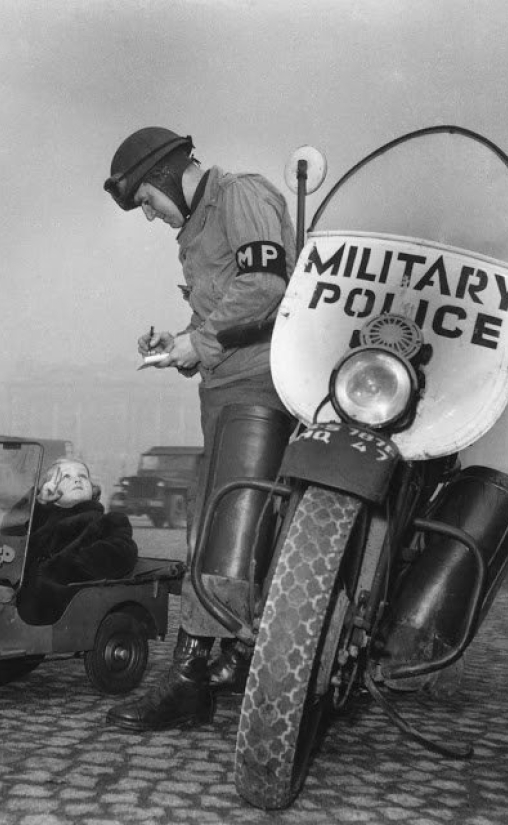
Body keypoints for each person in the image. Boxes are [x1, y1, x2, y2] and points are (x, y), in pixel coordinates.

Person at [103, 127, 298, 730]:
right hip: (225, 389)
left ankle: (190, 678)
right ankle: (235, 658)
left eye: (146, 202)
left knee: (229, 522)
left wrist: (201, 341)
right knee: (215, 518)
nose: (149, 215)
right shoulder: (194, 230)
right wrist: (176, 342)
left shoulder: (239, 195)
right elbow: (222, 306)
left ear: (164, 177)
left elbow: (266, 286)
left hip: (259, 385)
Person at [16, 458, 139, 624]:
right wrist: (41, 503)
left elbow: (122, 550)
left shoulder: (108, 521)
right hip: (24, 596)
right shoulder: (42, 519)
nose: (76, 479)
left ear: (93, 489)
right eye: (65, 477)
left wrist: (68, 565)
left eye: (83, 476)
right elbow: (11, 531)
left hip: (69, 596)